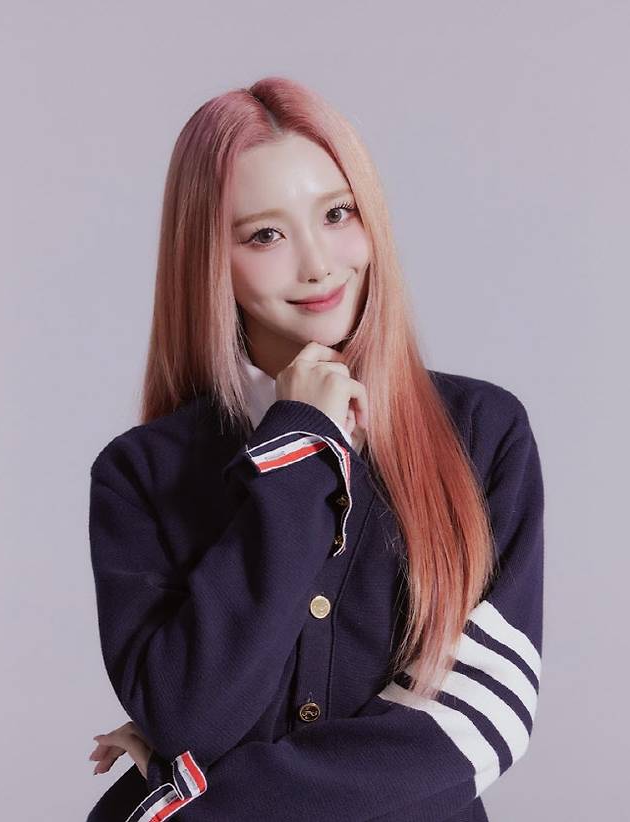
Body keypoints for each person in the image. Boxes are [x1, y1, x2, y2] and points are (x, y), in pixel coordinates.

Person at [85, 76, 545, 822]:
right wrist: (301, 447)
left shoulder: (483, 433)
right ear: (208, 258)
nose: (319, 264)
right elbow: (190, 713)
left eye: (337, 214)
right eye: (264, 235)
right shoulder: (141, 473)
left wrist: (189, 798)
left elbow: (478, 723)